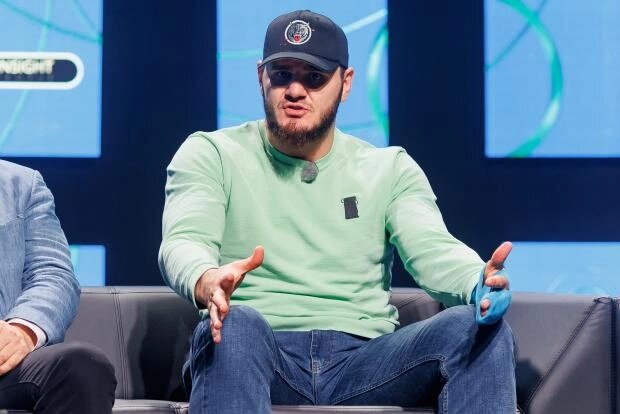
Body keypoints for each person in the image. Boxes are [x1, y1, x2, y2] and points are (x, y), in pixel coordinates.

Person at [159, 9, 516, 414]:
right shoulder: (212, 153)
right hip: (260, 350)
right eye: (282, 75)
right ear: (261, 76)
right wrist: (206, 278)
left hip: (367, 362)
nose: (295, 90)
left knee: (477, 328)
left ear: (345, 83)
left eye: (314, 77)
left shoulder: (388, 168)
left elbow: (432, 248)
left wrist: (477, 281)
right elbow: (183, 240)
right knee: (237, 326)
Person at [0, 160, 116, 413]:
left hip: (3, 363)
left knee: (81, 366)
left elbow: (53, 274)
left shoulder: (22, 184)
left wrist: (21, 331)